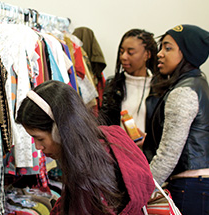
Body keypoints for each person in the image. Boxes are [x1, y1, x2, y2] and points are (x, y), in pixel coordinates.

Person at [16, 80, 154, 215]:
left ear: (60, 131)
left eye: (40, 138)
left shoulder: (87, 172)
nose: (38, 146)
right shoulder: (105, 139)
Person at [143, 24, 209, 215]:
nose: (160, 54)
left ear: (187, 53)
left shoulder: (183, 92)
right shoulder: (198, 84)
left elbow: (168, 155)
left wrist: (142, 189)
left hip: (190, 188)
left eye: (168, 48)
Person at [98, 29, 158, 141]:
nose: (124, 57)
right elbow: (105, 122)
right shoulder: (114, 85)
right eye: (121, 52)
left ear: (147, 55)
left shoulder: (159, 87)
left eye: (130, 52)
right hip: (120, 152)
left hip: (148, 155)